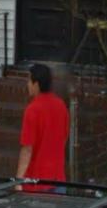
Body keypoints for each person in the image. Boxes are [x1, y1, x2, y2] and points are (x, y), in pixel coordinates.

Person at [15, 61, 69, 192]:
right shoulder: (61, 105)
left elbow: (27, 149)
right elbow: (64, 138)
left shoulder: (32, 110)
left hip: (37, 182)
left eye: (29, 81)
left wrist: (19, 180)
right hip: (58, 178)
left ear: (36, 84)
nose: (27, 84)